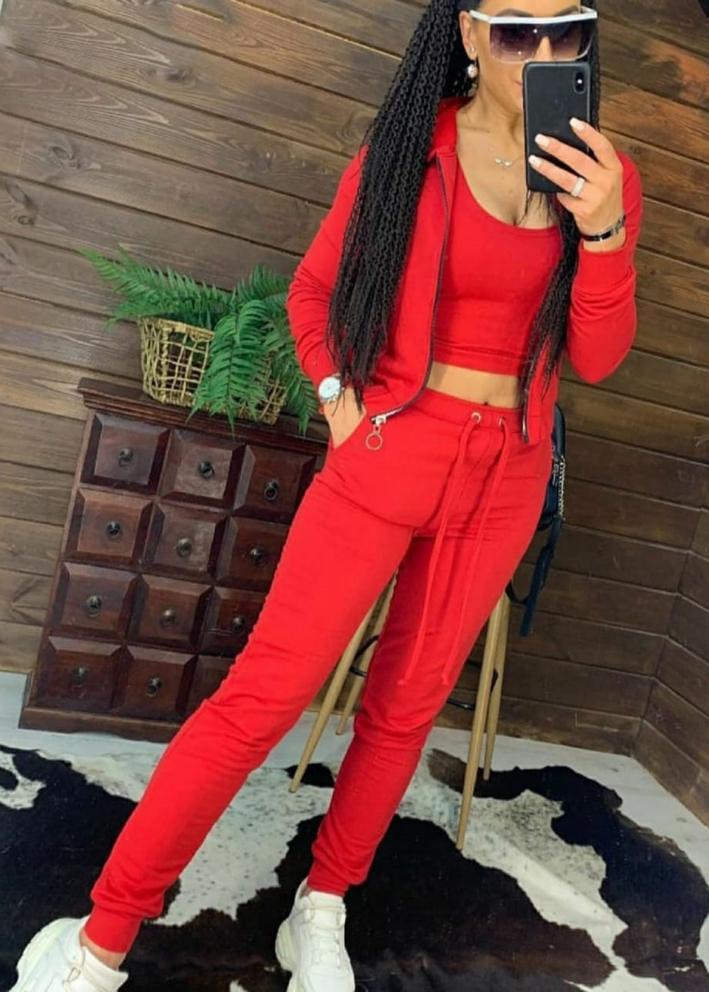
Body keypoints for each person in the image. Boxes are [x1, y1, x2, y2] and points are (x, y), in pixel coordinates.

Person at [11, 0, 643, 989]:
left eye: (569, 30)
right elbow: (313, 290)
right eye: (517, 32)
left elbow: (596, 358)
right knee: (260, 697)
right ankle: (103, 938)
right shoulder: (406, 155)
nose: (544, 53)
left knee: (403, 710)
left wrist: (602, 231)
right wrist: (339, 396)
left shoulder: (600, 175)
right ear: (468, 33)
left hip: (504, 478)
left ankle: (321, 904)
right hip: (391, 449)